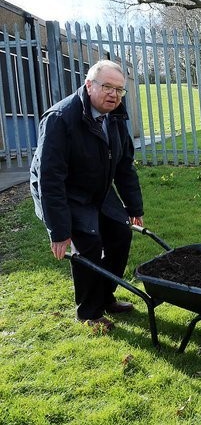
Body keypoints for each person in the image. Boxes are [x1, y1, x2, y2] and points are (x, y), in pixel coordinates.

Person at [30, 59, 144, 332]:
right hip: (66, 191)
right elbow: (50, 179)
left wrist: (134, 207)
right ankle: (89, 312)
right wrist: (59, 231)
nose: (114, 95)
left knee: (120, 234)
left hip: (97, 187)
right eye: (107, 87)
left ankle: (105, 296)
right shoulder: (60, 119)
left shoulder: (116, 116)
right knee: (89, 244)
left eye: (119, 90)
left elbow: (124, 166)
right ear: (89, 85)